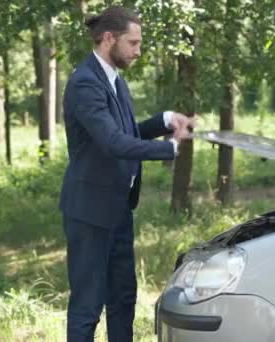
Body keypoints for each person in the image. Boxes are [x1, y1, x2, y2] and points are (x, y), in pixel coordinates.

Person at [59, 5, 194, 342]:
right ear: (109, 39)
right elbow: (112, 142)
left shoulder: (114, 79)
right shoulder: (84, 83)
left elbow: (128, 131)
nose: (138, 51)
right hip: (89, 212)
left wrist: (164, 121)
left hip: (119, 207)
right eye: (133, 43)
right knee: (87, 305)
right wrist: (170, 149)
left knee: (122, 297)